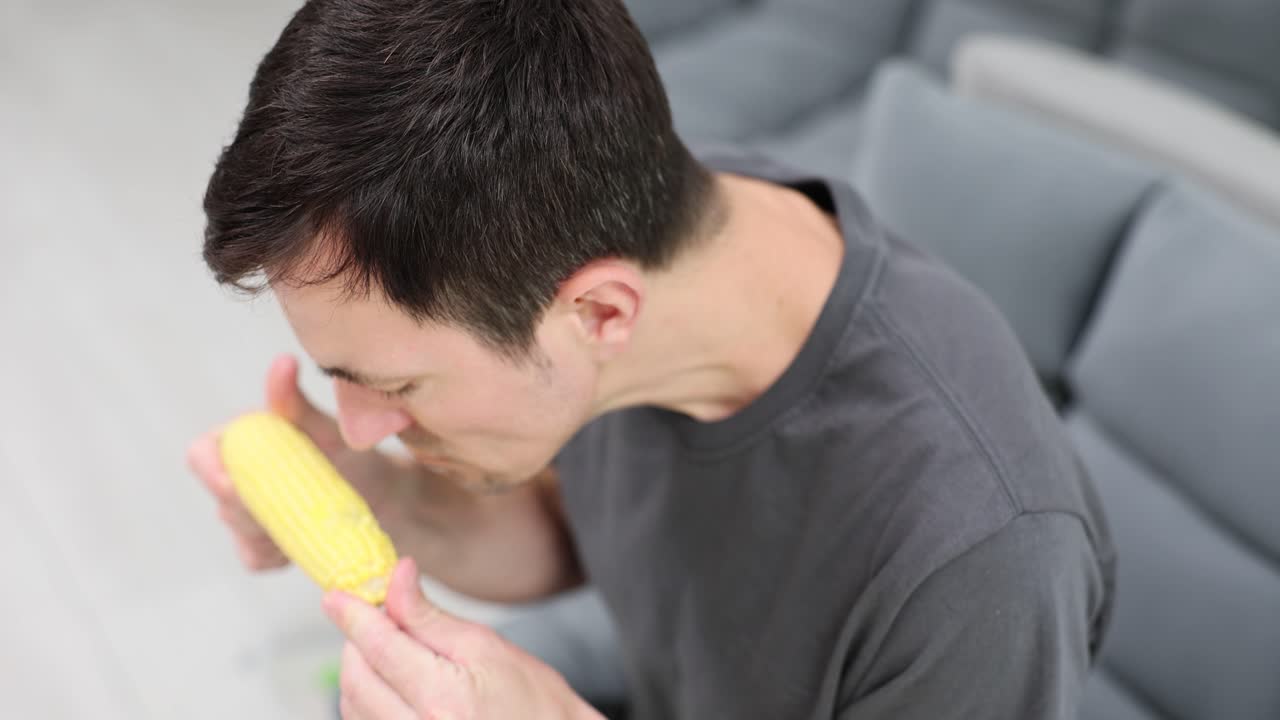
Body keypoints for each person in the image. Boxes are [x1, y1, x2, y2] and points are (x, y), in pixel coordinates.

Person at [186, 1, 1117, 718]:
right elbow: (594, 534)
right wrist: (381, 497)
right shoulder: (616, 224)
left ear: (598, 312)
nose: (358, 422)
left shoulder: (978, 559)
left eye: (393, 386)